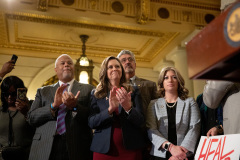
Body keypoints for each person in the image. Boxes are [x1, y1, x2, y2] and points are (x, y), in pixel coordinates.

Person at [27, 54, 94, 160]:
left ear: (74, 68)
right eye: (62, 63)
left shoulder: (88, 89)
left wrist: (75, 107)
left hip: (77, 147)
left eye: (69, 63)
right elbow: (31, 118)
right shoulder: (43, 91)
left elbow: (93, 117)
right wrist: (53, 106)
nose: (66, 65)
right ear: (56, 70)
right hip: (46, 145)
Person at [88, 56, 146, 160]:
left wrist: (128, 108)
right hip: (103, 150)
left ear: (122, 70)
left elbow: (141, 121)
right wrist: (109, 110)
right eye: (110, 67)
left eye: (117, 66)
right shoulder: (96, 93)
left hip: (130, 149)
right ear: (105, 72)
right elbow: (92, 122)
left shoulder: (133, 90)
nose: (114, 69)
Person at [146, 66, 201, 160]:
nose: (170, 80)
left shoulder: (190, 102)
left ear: (179, 81)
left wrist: (179, 154)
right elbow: (151, 130)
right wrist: (170, 147)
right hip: (160, 154)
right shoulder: (153, 104)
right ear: (161, 83)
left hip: (184, 155)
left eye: (174, 77)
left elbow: (194, 127)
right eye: (166, 77)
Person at [0, 76, 35, 160]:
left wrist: (27, 112)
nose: (9, 97)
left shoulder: (32, 107)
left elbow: (39, 129)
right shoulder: (1, 111)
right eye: (6, 94)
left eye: (13, 94)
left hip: (26, 155)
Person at [117, 50, 158, 116]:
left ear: (135, 65)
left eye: (130, 59)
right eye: (124, 60)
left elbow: (157, 109)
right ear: (119, 67)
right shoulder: (115, 86)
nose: (127, 62)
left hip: (145, 124)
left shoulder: (150, 85)